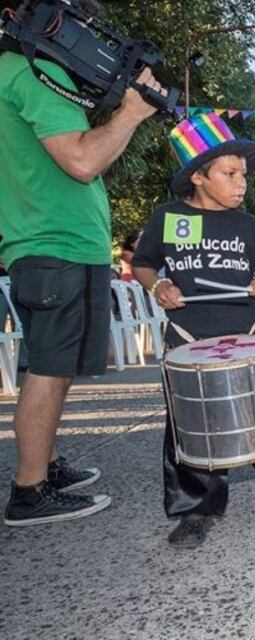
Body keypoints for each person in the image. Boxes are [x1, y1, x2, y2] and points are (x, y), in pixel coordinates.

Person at [1, 15, 164, 526]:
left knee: (55, 364)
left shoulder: (18, 72)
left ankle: (44, 465)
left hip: (54, 243)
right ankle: (29, 490)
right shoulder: (24, 71)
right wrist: (132, 112)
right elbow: (81, 159)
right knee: (49, 369)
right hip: (56, 244)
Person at [131, 113, 255, 548]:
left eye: (243, 174)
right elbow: (142, 263)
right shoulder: (167, 217)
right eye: (229, 174)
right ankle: (197, 509)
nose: (241, 183)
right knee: (190, 427)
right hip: (190, 340)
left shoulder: (248, 225)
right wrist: (159, 284)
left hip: (246, 334)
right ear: (198, 176)